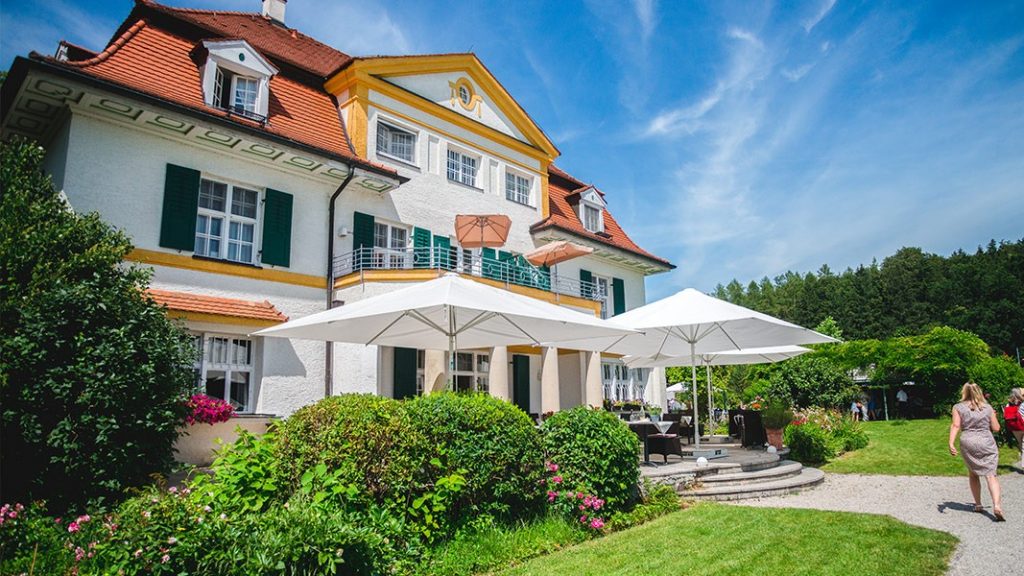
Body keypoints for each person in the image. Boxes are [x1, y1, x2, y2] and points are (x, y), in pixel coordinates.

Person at [948, 382, 1004, 521]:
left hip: (968, 441)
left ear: (964, 392)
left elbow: (956, 425)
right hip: (986, 441)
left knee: (973, 474)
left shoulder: (958, 407)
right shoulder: (987, 407)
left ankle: (978, 504)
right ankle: (996, 505)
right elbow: (996, 428)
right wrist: (994, 416)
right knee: (991, 475)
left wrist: (951, 443)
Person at [1004, 387, 1024, 467]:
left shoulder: (1008, 405)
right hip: (1022, 425)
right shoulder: (1022, 404)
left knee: (1021, 445)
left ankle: (1022, 458)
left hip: (1014, 428)